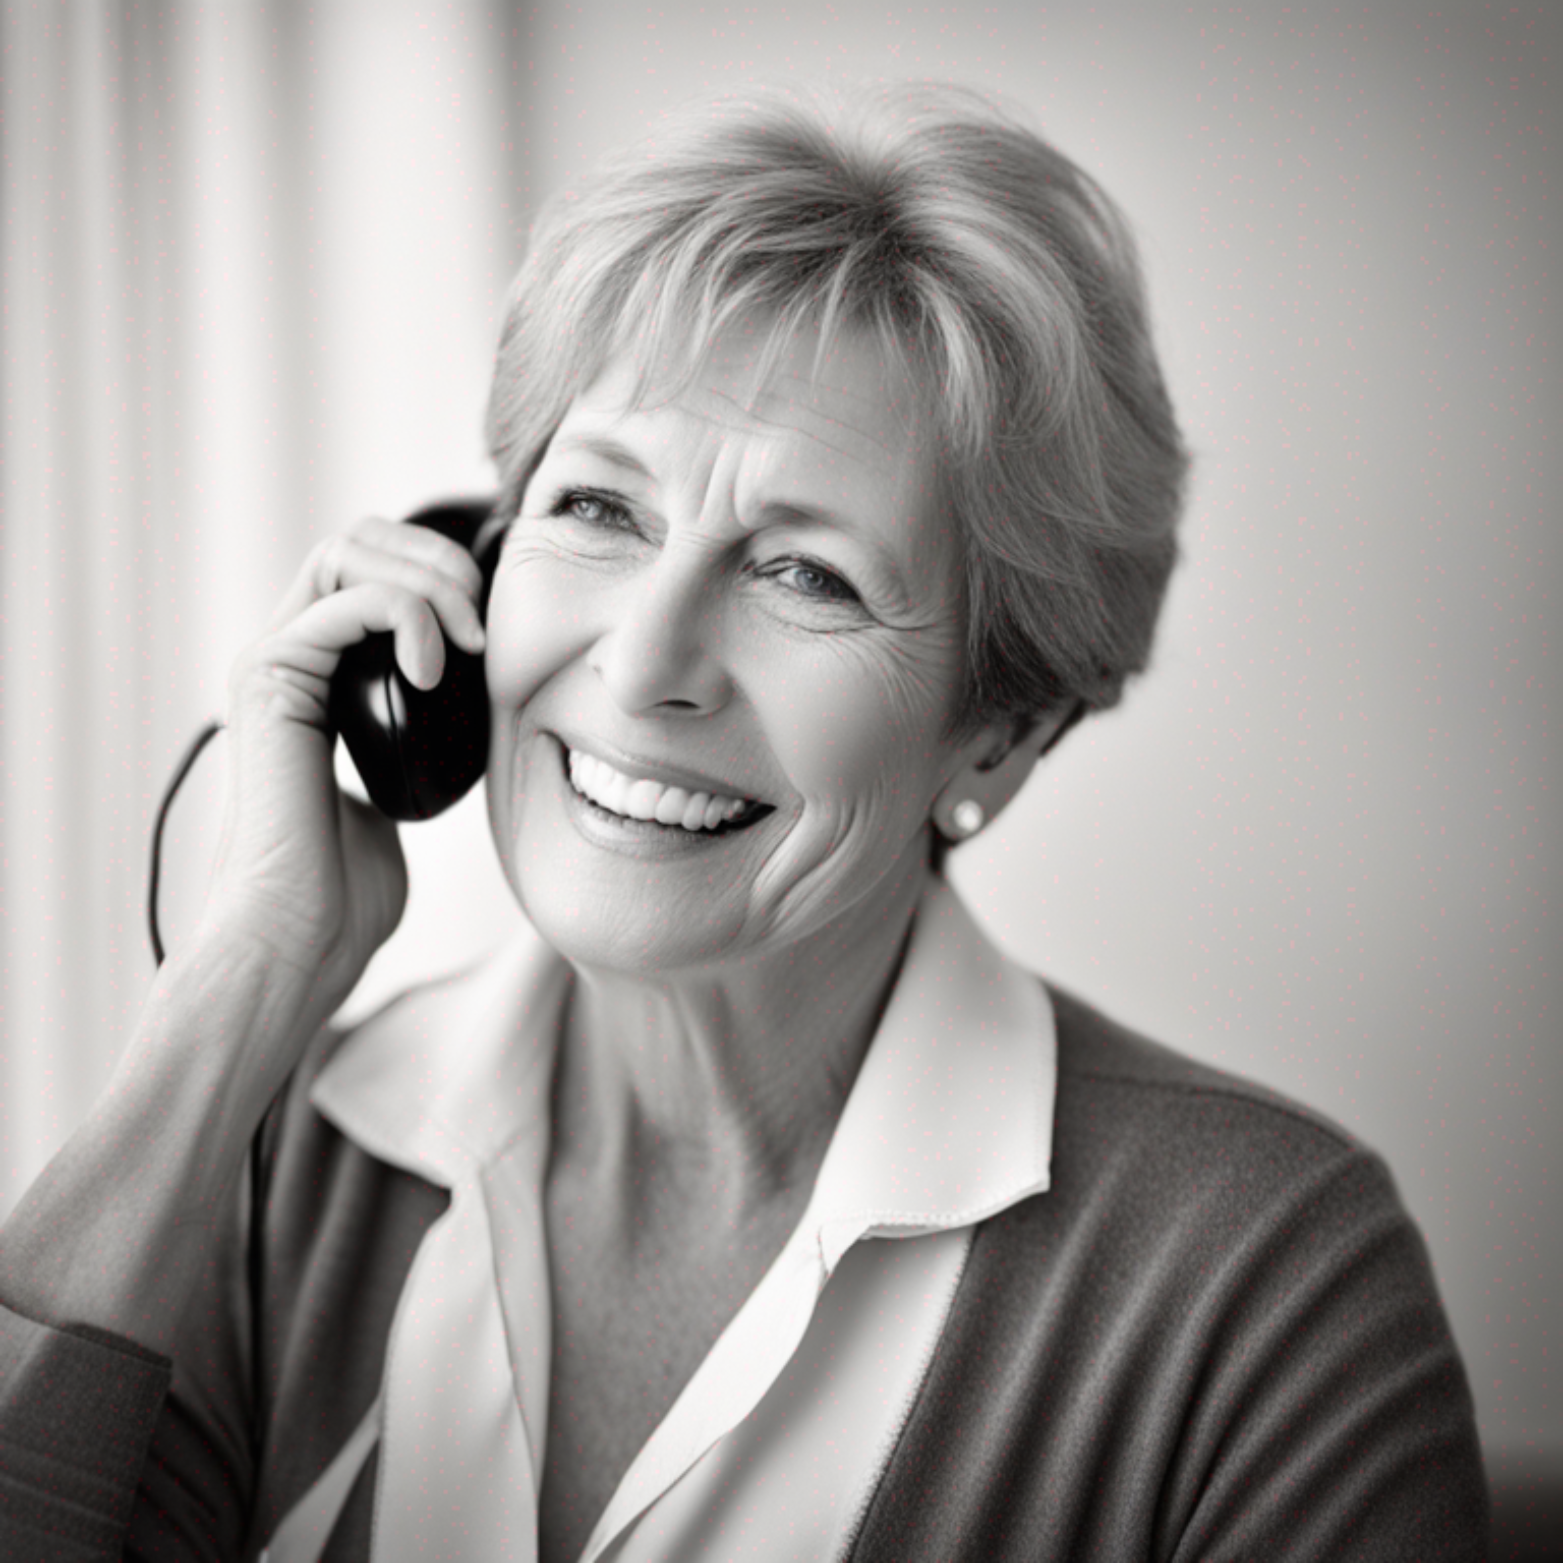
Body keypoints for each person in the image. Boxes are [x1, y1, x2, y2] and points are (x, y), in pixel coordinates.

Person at [0, 80, 1486, 1562]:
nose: (642, 663)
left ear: (1002, 731)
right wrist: (238, 990)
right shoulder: (280, 1170)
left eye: (807, 576)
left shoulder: (1262, 1282)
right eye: (598, 510)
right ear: (472, 561)